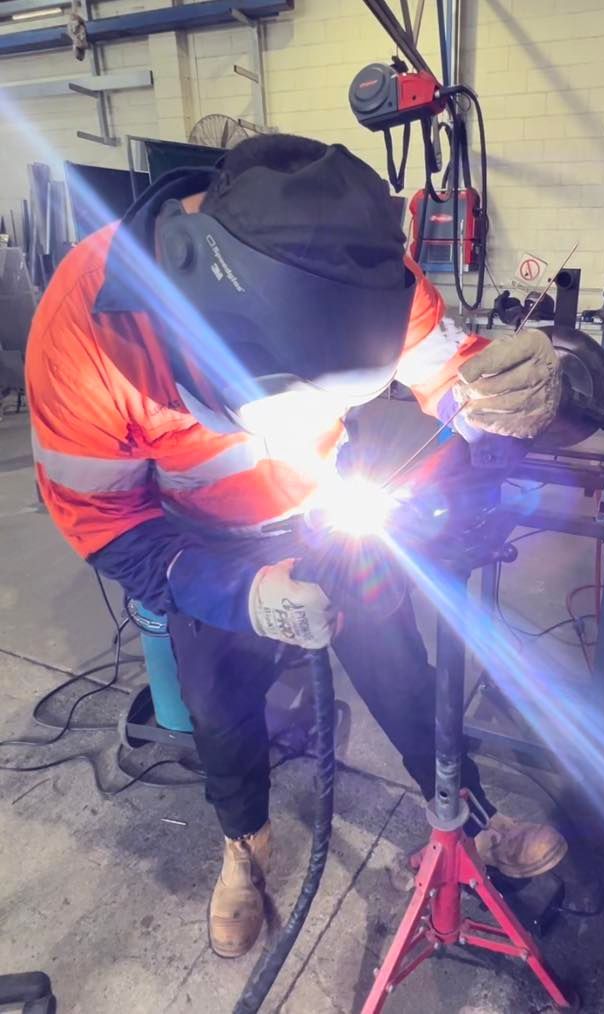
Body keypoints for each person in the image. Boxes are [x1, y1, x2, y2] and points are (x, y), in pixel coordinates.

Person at [25, 134, 565, 959]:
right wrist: (232, 594)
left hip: (332, 511)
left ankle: (471, 820)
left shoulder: (350, 272)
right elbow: (103, 520)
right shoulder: (86, 335)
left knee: (400, 670)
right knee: (222, 709)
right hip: (204, 541)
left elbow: (451, 375)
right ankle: (245, 850)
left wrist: (505, 388)